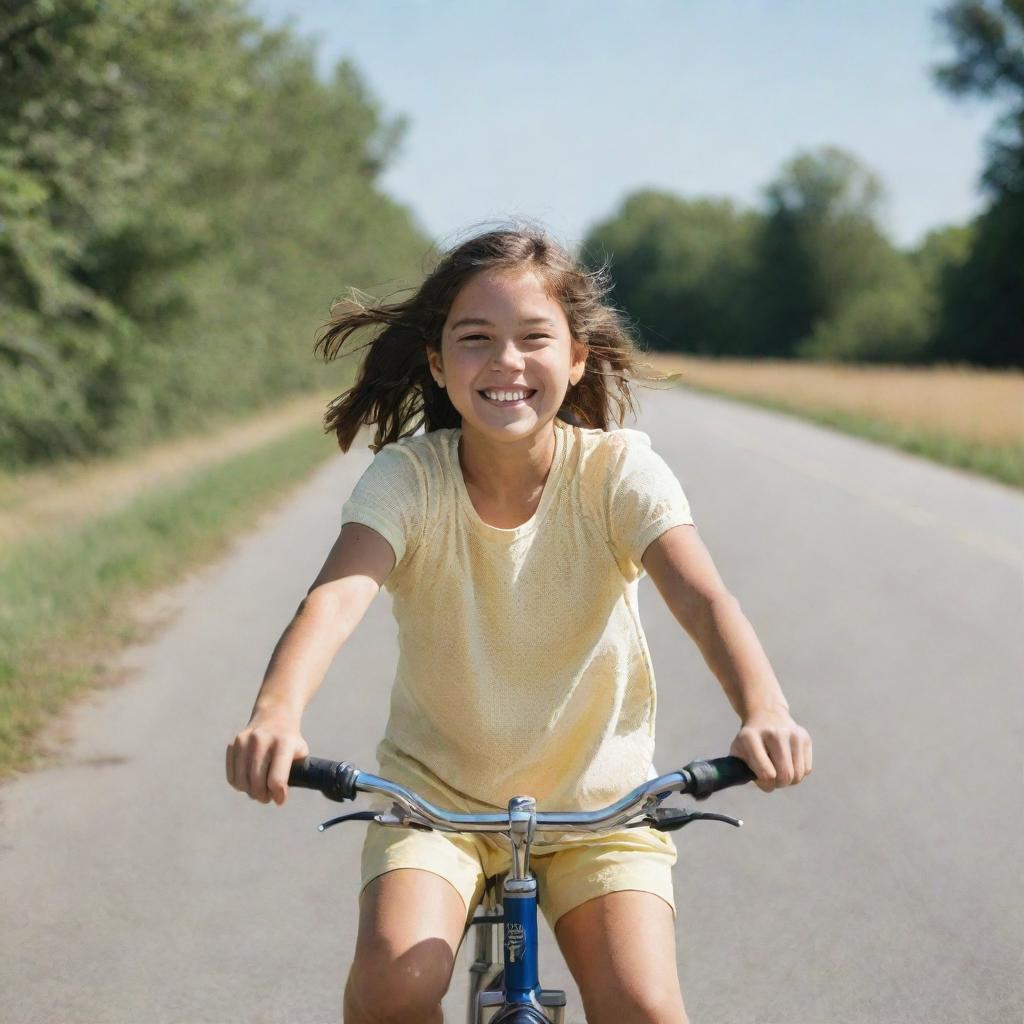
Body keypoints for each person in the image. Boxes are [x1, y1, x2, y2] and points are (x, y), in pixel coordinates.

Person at [226, 223, 812, 1024]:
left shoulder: (616, 473)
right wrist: (276, 713)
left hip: (598, 808)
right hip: (435, 803)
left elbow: (704, 600)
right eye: (476, 340)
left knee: (644, 1005)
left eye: (534, 338)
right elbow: (334, 597)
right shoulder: (410, 479)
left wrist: (764, 707)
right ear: (438, 363)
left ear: (576, 359)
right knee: (390, 988)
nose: (505, 362)